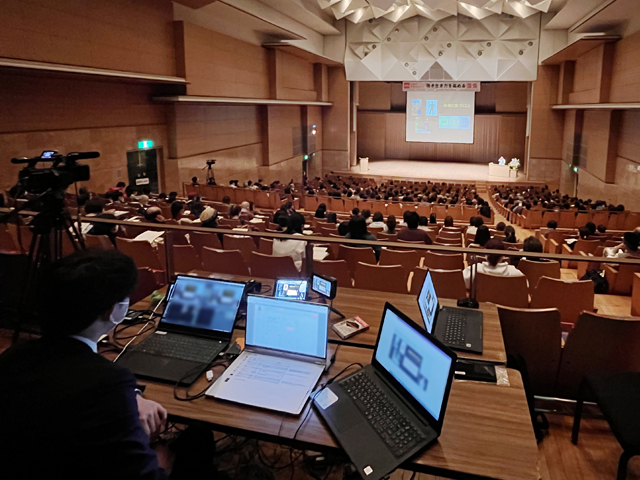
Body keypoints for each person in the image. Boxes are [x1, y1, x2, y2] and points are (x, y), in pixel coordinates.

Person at [0, 250, 216, 479]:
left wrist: (132, 395)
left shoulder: (13, 355)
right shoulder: (106, 383)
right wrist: (161, 462)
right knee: (199, 438)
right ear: (112, 311)